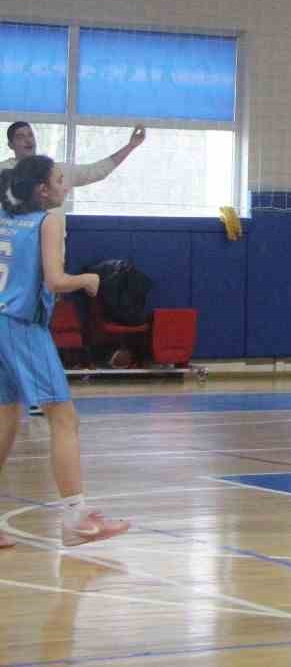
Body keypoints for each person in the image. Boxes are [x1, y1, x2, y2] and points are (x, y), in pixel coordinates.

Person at [0, 156, 132, 548]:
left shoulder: (5, 216)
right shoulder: (49, 219)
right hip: (22, 327)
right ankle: (75, 519)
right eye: (59, 180)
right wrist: (88, 280)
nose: (65, 185)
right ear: (43, 189)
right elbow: (56, 280)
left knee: (6, 418)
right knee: (64, 418)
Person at [2, 122, 146, 190]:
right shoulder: (4, 171)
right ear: (10, 145)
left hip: (52, 246)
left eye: (30, 135)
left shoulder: (57, 170)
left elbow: (97, 171)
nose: (28, 140)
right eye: (20, 137)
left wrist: (131, 146)